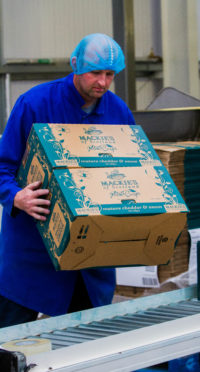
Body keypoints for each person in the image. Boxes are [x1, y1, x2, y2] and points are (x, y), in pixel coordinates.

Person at [0, 33, 135, 328]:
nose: (102, 82)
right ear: (75, 65)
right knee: (9, 343)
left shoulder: (117, 112)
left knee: (83, 344)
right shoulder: (34, 105)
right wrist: (16, 196)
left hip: (88, 258)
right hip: (31, 253)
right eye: (95, 73)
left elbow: (135, 171)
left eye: (110, 74)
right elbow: (2, 166)